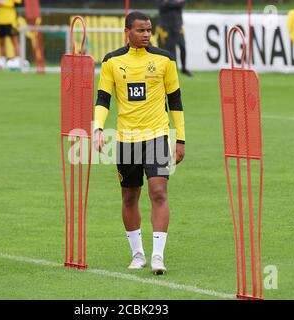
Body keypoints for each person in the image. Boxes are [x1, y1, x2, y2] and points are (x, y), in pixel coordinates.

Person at [93, 11, 186, 275]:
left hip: (157, 135)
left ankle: (158, 256)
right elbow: (103, 98)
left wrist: (180, 138)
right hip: (126, 139)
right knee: (130, 195)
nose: (146, 34)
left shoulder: (165, 60)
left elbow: (176, 101)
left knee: (158, 192)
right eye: (141, 30)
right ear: (127, 31)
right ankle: (137, 255)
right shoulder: (112, 61)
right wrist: (97, 128)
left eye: (149, 30)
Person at [157, 0, 192, 77]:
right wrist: (175, 3)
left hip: (178, 26)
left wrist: (168, 3)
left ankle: (184, 68)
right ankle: (173, 69)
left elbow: (181, 3)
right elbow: (162, 6)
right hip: (165, 27)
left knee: (182, 45)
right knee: (170, 48)